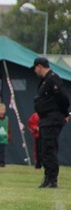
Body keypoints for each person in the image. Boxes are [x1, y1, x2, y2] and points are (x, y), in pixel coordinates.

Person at [32, 57, 70, 188]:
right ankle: (48, 177)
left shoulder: (52, 79)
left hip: (52, 118)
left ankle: (52, 179)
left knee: (49, 148)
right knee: (44, 149)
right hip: (46, 119)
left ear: (39, 66)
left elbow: (63, 98)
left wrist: (65, 113)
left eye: (35, 68)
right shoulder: (46, 80)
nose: (35, 71)